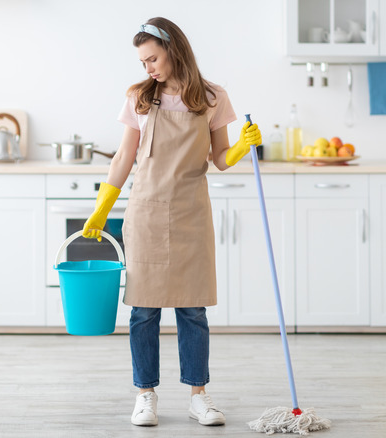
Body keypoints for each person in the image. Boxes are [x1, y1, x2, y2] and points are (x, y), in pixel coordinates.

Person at [81, 17, 261, 427]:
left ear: (173, 49)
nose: (148, 69)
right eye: (143, 62)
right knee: (143, 310)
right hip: (145, 210)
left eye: (153, 59)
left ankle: (199, 395)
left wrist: (243, 150)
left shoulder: (213, 97)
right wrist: (103, 206)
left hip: (190, 212)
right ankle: (146, 395)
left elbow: (219, 158)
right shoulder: (140, 97)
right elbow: (124, 157)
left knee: (192, 309)